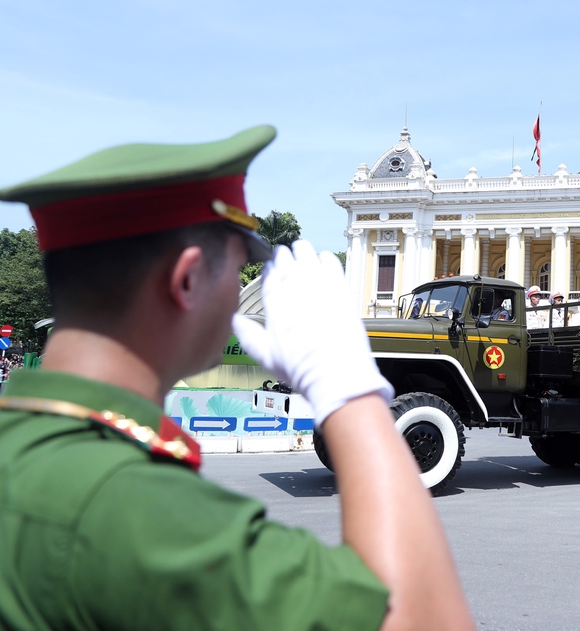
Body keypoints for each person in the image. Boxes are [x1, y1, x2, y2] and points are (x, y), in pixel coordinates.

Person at [0, 127, 473, 630]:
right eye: (240, 267)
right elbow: (423, 618)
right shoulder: (136, 510)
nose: (245, 290)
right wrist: (352, 394)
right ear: (186, 280)